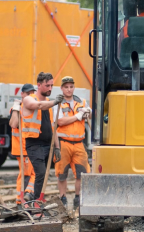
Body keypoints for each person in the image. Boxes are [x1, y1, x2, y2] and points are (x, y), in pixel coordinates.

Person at [22, 72, 63, 201]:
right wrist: (55, 102)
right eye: (47, 85)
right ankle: (34, 201)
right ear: (39, 85)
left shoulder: (49, 105)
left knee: (43, 174)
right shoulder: (29, 99)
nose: (50, 88)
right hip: (34, 144)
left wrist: (57, 147)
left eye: (51, 85)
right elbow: (38, 106)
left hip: (47, 145)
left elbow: (53, 127)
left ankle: (36, 200)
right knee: (40, 173)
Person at [55, 76, 91, 210]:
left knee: (81, 173)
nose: (69, 89)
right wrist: (77, 116)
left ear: (74, 87)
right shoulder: (58, 103)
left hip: (79, 143)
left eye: (71, 87)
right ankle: (63, 198)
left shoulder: (81, 101)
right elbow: (60, 122)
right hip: (63, 143)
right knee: (62, 173)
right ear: (62, 88)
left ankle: (77, 199)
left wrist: (87, 112)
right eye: (66, 87)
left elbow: (90, 114)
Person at [9, 84, 37, 206]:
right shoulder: (17, 109)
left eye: (32, 93)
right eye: (28, 93)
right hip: (23, 148)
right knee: (27, 174)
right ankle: (23, 198)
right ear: (22, 94)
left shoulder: (33, 107)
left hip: (30, 147)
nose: (30, 96)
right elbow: (14, 124)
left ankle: (23, 198)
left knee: (32, 173)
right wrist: (16, 108)